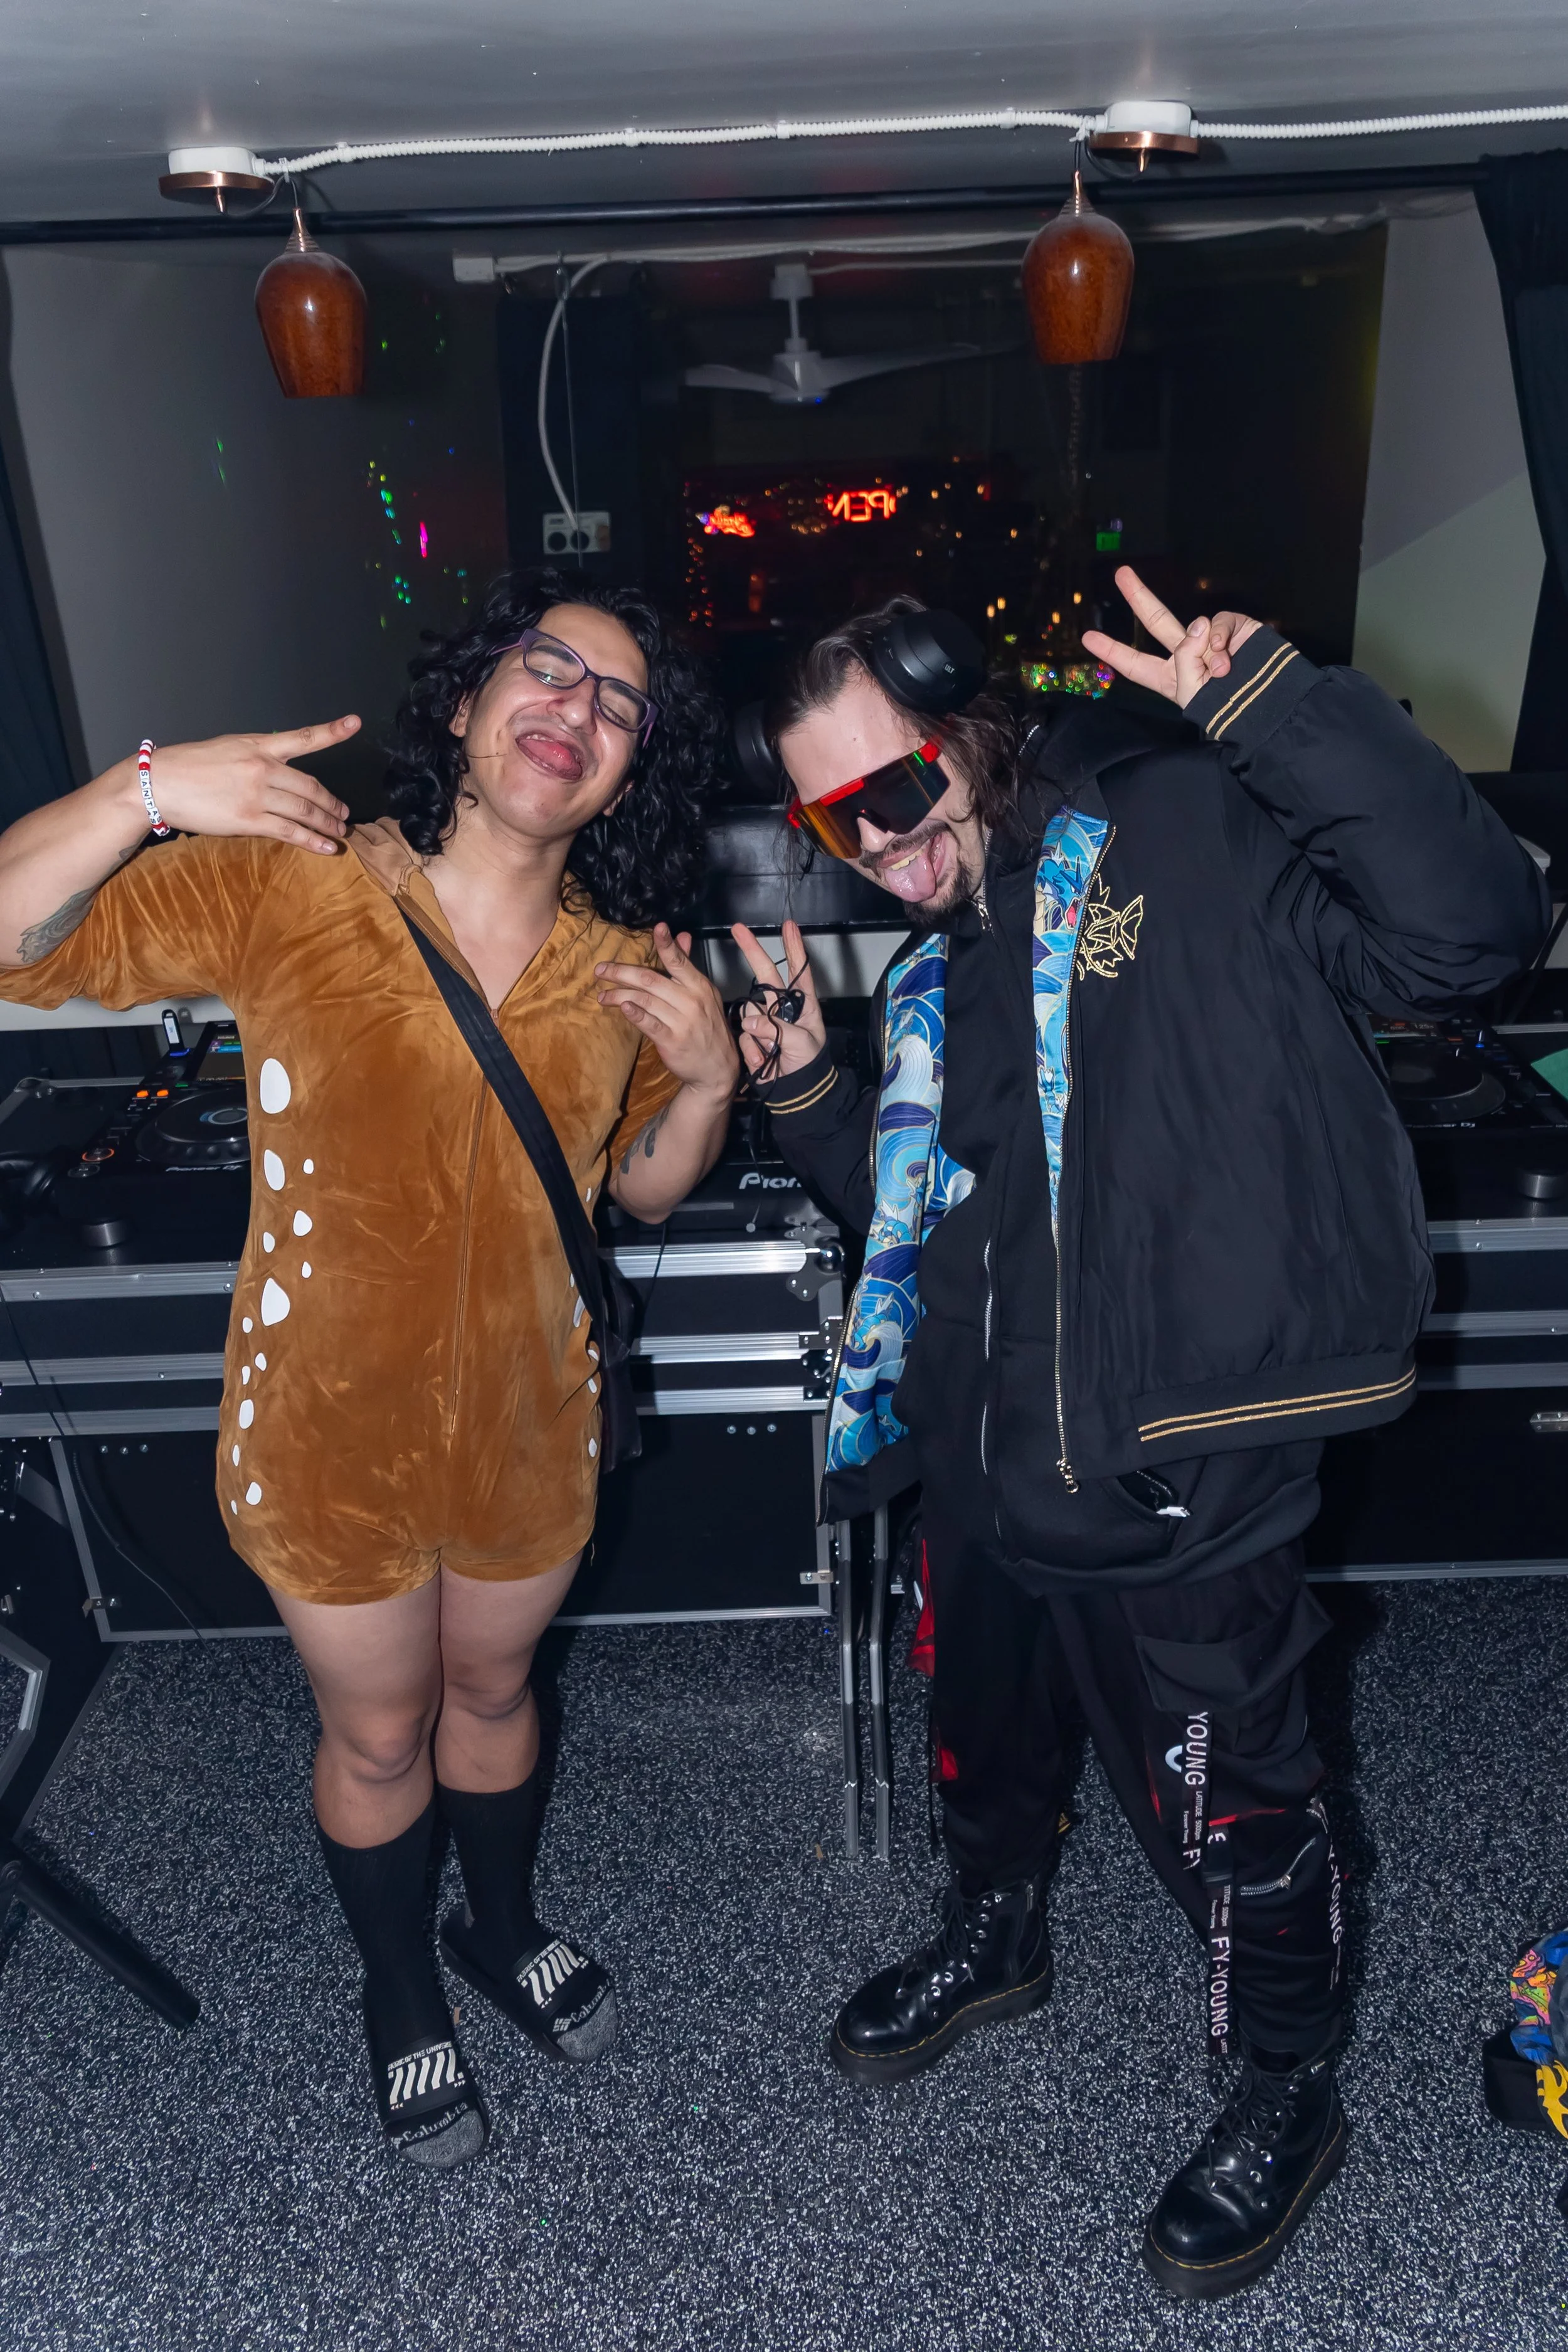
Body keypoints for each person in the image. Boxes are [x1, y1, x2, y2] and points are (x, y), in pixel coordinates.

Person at [733, 570, 1547, 2298]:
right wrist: (809, 1084)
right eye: (827, 816)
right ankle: (996, 1924)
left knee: (1231, 1802)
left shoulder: (1177, 813)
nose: (870, 844)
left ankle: (1282, 2080)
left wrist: (1275, 708)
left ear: (970, 723)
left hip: (1179, 1459)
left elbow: (1469, 934)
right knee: (986, 1744)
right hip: (984, 1454)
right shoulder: (942, 954)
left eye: (887, 790)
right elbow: (943, 1217)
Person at [0, 571, 740, 2169]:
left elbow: (636, 1192)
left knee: (493, 1692)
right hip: (325, 1439)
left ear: (630, 770)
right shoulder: (295, 884)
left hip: (532, 1433)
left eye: (620, 705)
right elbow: (7, 943)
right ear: (470, 707)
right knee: (381, 1733)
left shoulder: (621, 965)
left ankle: (505, 1924)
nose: (580, 711)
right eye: (549, 671)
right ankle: (400, 1987)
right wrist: (144, 793)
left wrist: (707, 1084)